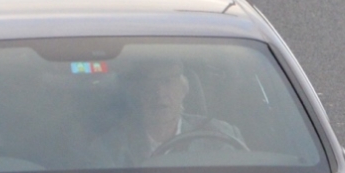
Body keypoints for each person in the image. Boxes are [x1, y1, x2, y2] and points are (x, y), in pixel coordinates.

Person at [88, 55, 244, 166]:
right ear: (136, 93)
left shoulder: (220, 136)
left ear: (184, 90)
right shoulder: (110, 145)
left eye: (167, 82)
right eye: (150, 85)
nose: (159, 94)